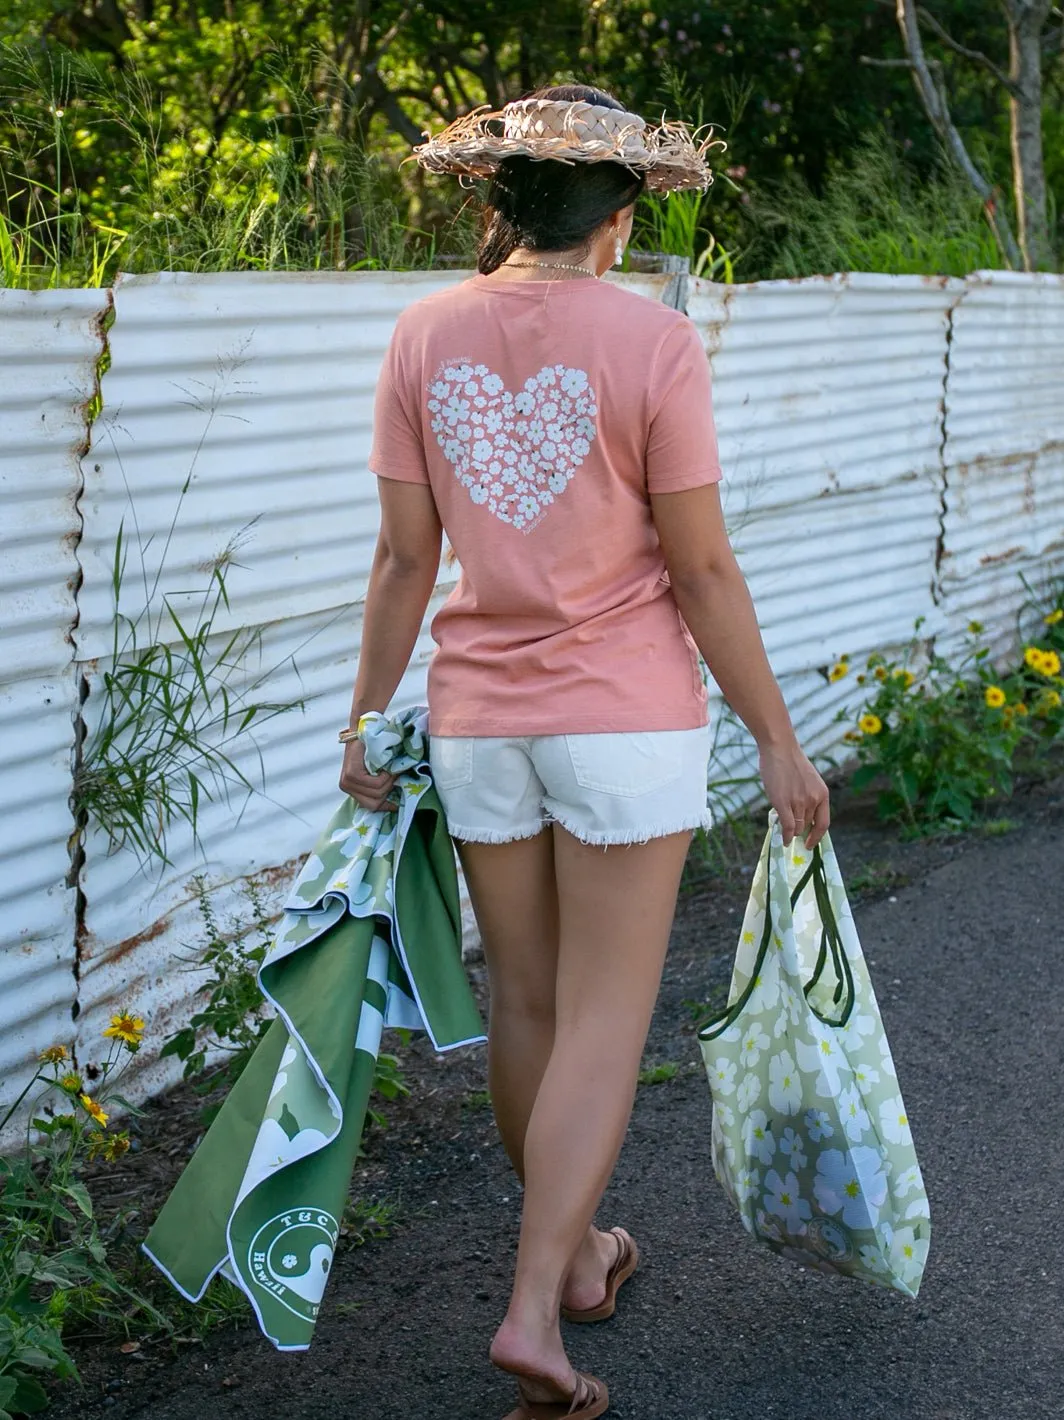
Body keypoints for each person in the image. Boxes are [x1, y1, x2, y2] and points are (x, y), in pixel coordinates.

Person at [339, 83, 830, 1420]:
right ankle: (530, 1311)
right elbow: (704, 563)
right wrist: (779, 740)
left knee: (532, 1010)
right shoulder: (656, 343)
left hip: (479, 721)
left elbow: (402, 555)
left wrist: (365, 716)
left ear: (501, 209)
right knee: (609, 1023)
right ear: (620, 218)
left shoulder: (421, 336)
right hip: (625, 725)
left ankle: (584, 1258)